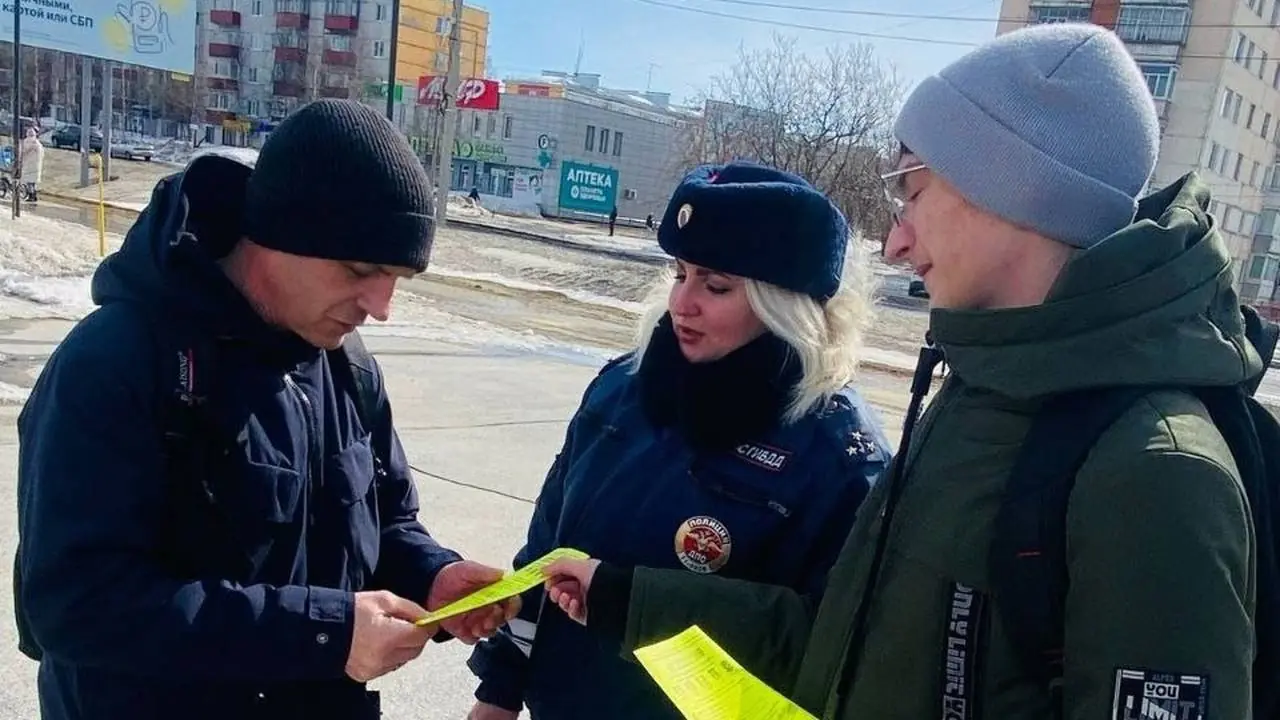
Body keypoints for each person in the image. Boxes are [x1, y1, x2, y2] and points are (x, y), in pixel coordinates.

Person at [539, 23, 1263, 719]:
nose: (895, 243)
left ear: (1012, 190)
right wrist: (626, 598)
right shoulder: (982, 398)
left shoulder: (1153, 471)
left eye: (913, 192)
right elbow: (844, 659)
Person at [14, 99, 518, 719]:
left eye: (398, 278)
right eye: (361, 269)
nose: (381, 307)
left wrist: (433, 576)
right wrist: (325, 633)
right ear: (277, 236)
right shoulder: (119, 360)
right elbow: (76, 605)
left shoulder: (348, 368)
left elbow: (386, 524)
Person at [464, 160, 891, 720]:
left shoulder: (838, 456)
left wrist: (629, 600)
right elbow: (545, 550)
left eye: (716, 286)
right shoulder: (623, 389)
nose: (682, 303)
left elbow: (825, 645)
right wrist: (499, 687)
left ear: (785, 306)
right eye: (679, 273)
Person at [18, 124, 42, 201]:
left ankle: (31, 196)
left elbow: (22, 152)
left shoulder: (27, 142)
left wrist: (20, 159)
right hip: (37, 165)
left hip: (28, 165)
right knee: (33, 182)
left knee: (29, 181)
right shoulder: (38, 143)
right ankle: (34, 195)